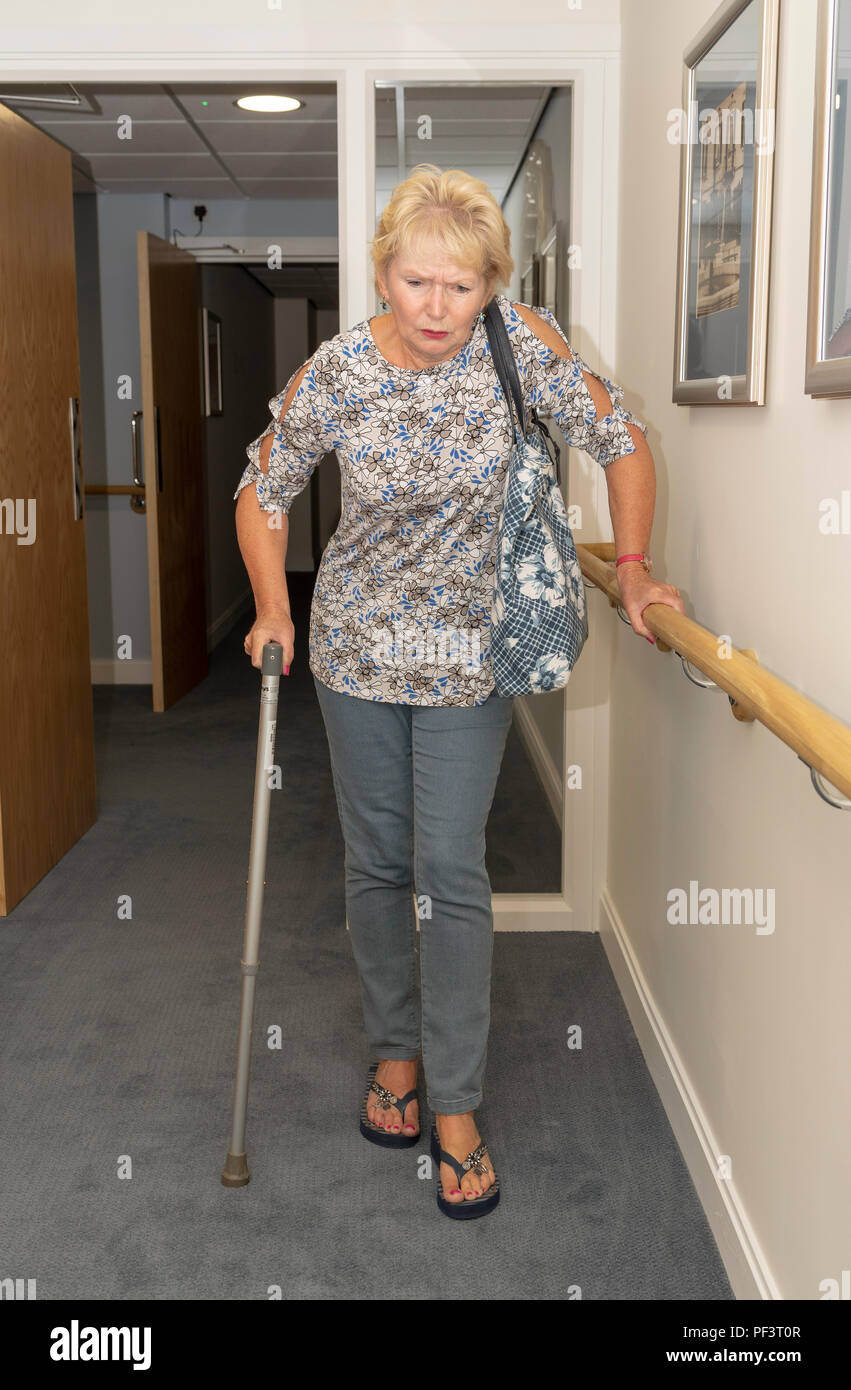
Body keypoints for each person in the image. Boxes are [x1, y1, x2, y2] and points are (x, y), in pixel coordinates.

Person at [234, 163, 685, 1220]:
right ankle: (395, 1056)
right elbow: (264, 485)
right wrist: (271, 606)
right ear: (383, 274)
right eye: (416, 282)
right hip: (353, 653)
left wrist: (628, 563)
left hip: (466, 658)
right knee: (377, 861)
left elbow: (619, 438)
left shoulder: (518, 342)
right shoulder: (340, 368)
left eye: (460, 286)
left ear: (489, 285)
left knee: (450, 864)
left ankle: (457, 1102)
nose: (437, 308)